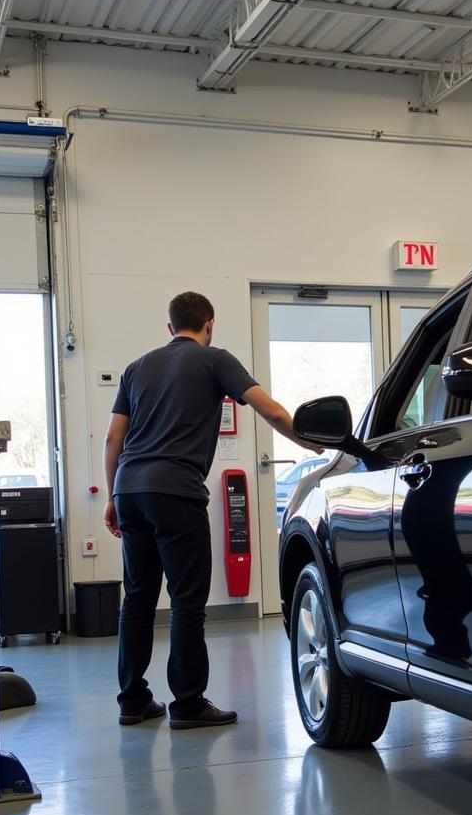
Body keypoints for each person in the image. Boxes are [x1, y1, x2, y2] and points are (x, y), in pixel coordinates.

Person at [103, 291, 318, 729]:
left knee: (138, 597)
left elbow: (112, 439)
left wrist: (112, 497)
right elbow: (271, 411)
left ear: (169, 328)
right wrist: (314, 442)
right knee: (186, 599)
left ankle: (132, 700)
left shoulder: (136, 367)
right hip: (177, 491)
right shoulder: (216, 359)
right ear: (209, 324)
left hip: (130, 488)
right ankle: (187, 702)